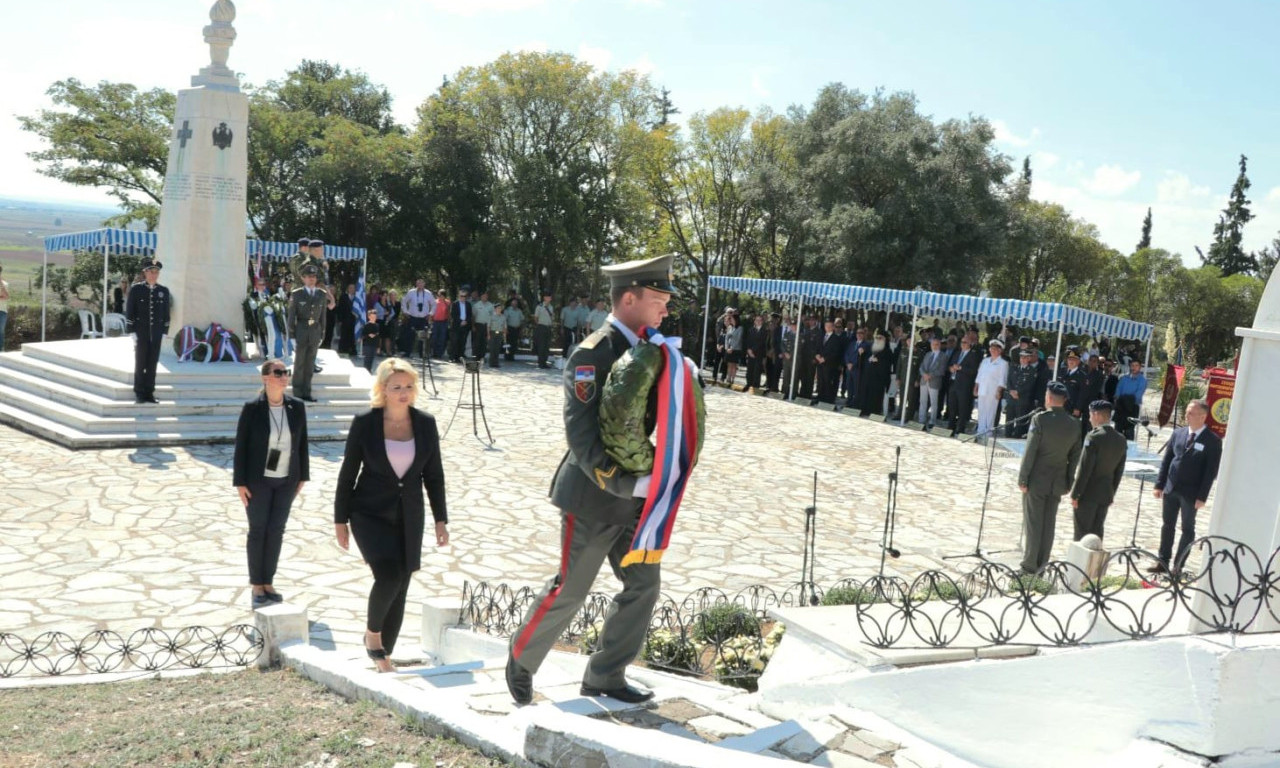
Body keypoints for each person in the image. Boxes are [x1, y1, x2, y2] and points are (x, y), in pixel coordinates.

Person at [506, 253, 683, 707]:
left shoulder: (653, 350)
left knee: (644, 585)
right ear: (629, 298)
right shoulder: (593, 353)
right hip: (592, 495)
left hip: (637, 500)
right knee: (573, 587)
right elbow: (582, 438)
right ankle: (521, 659)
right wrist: (626, 485)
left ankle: (605, 675)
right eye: (659, 300)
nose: (665, 310)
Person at [334, 358, 450, 672]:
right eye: (396, 386)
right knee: (389, 575)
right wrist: (340, 520)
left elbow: (434, 476)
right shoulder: (365, 423)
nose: (404, 392)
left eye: (409, 386)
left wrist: (441, 520)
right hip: (368, 513)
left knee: (402, 584)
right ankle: (373, 635)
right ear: (383, 389)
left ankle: (384, 656)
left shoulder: (425, 423)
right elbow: (347, 474)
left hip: (410, 514)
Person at [233, 359, 310, 608]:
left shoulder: (296, 407)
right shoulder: (252, 408)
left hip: (286, 480)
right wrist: (240, 482)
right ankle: (257, 584)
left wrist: (302, 476)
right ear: (265, 378)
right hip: (258, 481)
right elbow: (241, 446)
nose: (284, 376)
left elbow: (302, 444)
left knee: (276, 530)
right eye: (278, 373)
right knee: (258, 530)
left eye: (285, 372)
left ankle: (269, 582)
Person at [1016, 381, 1082, 574]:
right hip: (1058, 480)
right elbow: (1075, 456)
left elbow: (1031, 451)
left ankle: (1029, 565)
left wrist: (1023, 478)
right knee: (1048, 524)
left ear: (1050, 398)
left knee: (1033, 522)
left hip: (1037, 479)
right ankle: (1042, 563)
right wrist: (1069, 481)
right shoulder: (1074, 424)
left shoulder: (1040, 419)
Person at [1151, 400, 1223, 575]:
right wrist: (1160, 484)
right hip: (1171, 488)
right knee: (1167, 525)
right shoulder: (1179, 433)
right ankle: (1163, 560)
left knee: (1187, 529)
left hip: (1191, 493)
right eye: (1187, 412)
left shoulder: (1212, 441)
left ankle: (1178, 565)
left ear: (1203, 416)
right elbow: (1167, 460)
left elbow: (1210, 472)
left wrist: (1202, 496)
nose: (1187, 416)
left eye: (1191, 413)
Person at [1069, 400, 1127, 541]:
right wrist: (1111, 493)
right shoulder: (1121, 439)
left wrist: (1076, 494)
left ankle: (1079, 563)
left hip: (1088, 494)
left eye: (1090, 415)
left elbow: (1085, 469)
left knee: (1081, 534)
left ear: (1097, 415)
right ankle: (1095, 563)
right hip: (1105, 494)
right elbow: (1119, 471)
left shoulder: (1094, 437)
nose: (1089, 418)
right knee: (1097, 534)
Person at [125, 259, 171, 404]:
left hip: (156, 334)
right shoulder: (137, 289)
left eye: (156, 272)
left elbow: (166, 314)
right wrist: (131, 331)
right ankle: (139, 392)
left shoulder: (163, 291)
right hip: (141, 332)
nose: (154, 274)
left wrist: (164, 331)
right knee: (140, 363)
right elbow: (130, 311)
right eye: (151, 272)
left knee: (152, 364)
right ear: (145, 273)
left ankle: (149, 393)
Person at [287, 265, 331, 402]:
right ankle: (298, 392)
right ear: (303, 278)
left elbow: (323, 316)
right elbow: (291, 317)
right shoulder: (297, 293)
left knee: (310, 363)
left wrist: (322, 334)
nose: (311, 279)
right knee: (299, 363)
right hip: (301, 330)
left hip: (315, 331)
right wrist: (292, 336)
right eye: (308, 277)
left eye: (313, 277)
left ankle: (307, 392)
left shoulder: (321, 294)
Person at [974, 339, 1009, 438]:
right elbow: (979, 375)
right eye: (991, 348)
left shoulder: (1003, 363)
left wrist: (999, 391)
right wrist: (976, 387)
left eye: (995, 349)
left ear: (1000, 350)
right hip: (982, 388)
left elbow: (1003, 379)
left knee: (991, 411)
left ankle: (987, 432)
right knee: (981, 410)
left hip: (993, 390)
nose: (992, 350)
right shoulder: (985, 360)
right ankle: (980, 430)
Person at [946, 338, 979, 436]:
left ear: (970, 344)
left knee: (962, 408)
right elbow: (950, 364)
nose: (963, 344)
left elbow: (973, 371)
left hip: (964, 386)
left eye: (965, 342)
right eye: (962, 342)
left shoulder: (973, 355)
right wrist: (951, 368)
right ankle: (950, 427)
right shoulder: (957, 353)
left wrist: (961, 368)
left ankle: (960, 429)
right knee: (951, 407)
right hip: (953, 383)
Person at [1005, 348, 1039, 438]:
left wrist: (1018, 392)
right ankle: (1007, 435)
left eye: (1025, 357)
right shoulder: (1014, 368)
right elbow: (1009, 381)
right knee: (1009, 418)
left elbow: (1030, 385)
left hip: (1022, 399)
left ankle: (1016, 436)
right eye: (1021, 357)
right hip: (1011, 398)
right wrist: (1011, 391)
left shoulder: (1032, 371)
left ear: (1029, 359)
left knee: (1020, 420)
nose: (1023, 359)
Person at [917, 335, 947, 431]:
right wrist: (924, 374)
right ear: (931, 345)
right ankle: (922, 419)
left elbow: (942, 370)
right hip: (924, 381)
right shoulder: (928, 354)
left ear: (940, 345)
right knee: (923, 401)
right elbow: (921, 366)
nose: (935, 346)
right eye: (933, 344)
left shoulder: (943, 356)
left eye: (937, 344)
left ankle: (932, 421)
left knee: (934, 403)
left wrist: (930, 375)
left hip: (934, 381)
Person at [1113, 360, 1148, 440]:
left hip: (1132, 408)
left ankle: (1128, 452)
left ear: (1140, 367)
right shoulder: (1123, 378)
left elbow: (1137, 396)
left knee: (1129, 433)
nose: (1134, 367)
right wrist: (1119, 398)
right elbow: (1118, 391)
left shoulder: (1143, 380)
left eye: (1136, 365)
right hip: (1120, 408)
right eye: (1132, 365)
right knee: (1117, 432)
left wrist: (1123, 398)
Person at [401, 280, 434, 357]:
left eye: (422, 283)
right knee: (409, 335)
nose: (420, 285)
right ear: (416, 284)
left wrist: (430, 314)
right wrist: (405, 312)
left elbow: (434, 304)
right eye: (418, 284)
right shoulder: (411, 292)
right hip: (412, 317)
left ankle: (422, 354)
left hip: (423, 318)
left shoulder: (428, 293)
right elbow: (404, 301)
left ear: (424, 284)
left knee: (423, 337)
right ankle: (407, 353)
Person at [743, 314, 768, 392]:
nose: (758, 322)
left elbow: (762, 343)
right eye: (756, 320)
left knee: (757, 370)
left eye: (760, 320)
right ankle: (748, 383)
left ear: (762, 322)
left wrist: (754, 351)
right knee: (750, 369)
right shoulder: (751, 330)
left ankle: (755, 385)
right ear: (754, 321)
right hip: (750, 353)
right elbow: (747, 341)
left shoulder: (765, 331)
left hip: (759, 353)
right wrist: (749, 350)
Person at [449, 285, 472, 363]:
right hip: (456, 326)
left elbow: (470, 315)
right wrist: (460, 321)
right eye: (462, 296)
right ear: (459, 296)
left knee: (462, 342)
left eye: (465, 296)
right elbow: (453, 314)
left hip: (465, 326)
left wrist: (466, 321)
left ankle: (460, 357)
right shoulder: (455, 304)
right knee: (454, 342)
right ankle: (452, 357)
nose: (463, 297)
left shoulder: (468, 304)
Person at [472, 289, 494, 362]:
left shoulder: (491, 305)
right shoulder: (476, 305)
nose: (485, 297)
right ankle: (476, 356)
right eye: (483, 296)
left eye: (486, 296)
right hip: (478, 325)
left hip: (486, 326)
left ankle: (482, 356)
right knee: (477, 341)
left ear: (487, 297)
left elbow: (492, 317)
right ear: (481, 297)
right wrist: (473, 326)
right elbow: (473, 316)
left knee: (484, 342)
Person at [337, 283, 359, 356]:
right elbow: (340, 309)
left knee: (352, 336)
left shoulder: (357, 298)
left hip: (354, 320)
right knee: (344, 335)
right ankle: (342, 349)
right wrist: (340, 320)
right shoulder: (343, 297)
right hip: (345, 319)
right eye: (350, 288)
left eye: (353, 288)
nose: (352, 289)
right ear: (348, 289)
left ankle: (352, 350)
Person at [431, 287, 451, 359]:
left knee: (442, 338)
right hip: (435, 322)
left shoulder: (447, 302)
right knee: (434, 338)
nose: (440, 296)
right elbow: (432, 312)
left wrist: (449, 321)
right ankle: (434, 353)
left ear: (444, 296)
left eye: (441, 295)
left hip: (444, 322)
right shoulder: (435, 302)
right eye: (439, 295)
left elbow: (448, 313)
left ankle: (440, 354)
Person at [505, 297, 525, 361]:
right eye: (513, 304)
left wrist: (521, 329)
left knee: (514, 343)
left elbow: (522, 320)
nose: (515, 305)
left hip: (516, 329)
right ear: (511, 304)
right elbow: (505, 320)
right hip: (509, 328)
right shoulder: (507, 310)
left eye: (516, 304)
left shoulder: (519, 311)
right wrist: (505, 329)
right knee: (508, 343)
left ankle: (512, 356)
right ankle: (507, 356)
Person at [0, 263, 8, 352]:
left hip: (2, 311)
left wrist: (1, 283)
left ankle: (1, 349)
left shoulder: (5, 284)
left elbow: (6, 296)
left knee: (1, 331)